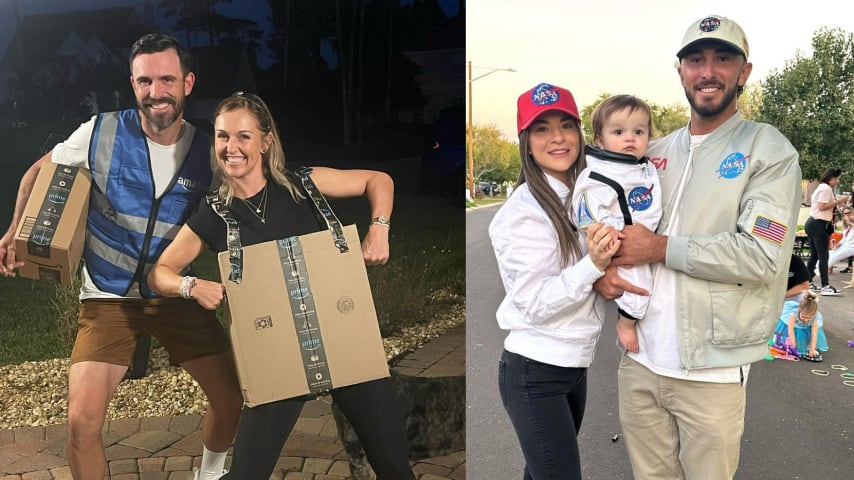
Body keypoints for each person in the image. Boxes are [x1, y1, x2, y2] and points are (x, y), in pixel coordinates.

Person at [0, 34, 244, 480]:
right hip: (107, 297)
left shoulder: (209, 152)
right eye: (144, 81)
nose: (156, 92)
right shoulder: (100, 131)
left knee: (231, 402)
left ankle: (208, 475)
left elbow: (246, 206)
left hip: (174, 293)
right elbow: (40, 169)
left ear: (187, 82)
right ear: (132, 84)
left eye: (167, 79)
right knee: (80, 424)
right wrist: (16, 226)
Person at [148, 92, 415, 480]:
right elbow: (162, 272)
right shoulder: (215, 214)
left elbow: (379, 180)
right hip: (275, 360)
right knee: (246, 475)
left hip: (345, 344)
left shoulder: (304, 185)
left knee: (393, 467)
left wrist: (379, 229)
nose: (231, 147)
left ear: (266, 140)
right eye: (223, 137)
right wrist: (190, 285)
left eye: (243, 136)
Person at [594, 15, 801, 479]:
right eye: (696, 59)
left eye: (722, 58)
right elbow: (603, 217)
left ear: (743, 72)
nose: (708, 71)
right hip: (640, 362)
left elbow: (762, 255)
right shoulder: (651, 152)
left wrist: (660, 248)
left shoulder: (768, 151)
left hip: (711, 375)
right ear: (681, 70)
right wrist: (601, 268)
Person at [489, 82, 621, 479]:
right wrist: (593, 266)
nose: (558, 137)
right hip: (535, 373)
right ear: (526, 142)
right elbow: (534, 301)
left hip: (571, 369)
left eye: (566, 125)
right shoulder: (522, 212)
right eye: (542, 129)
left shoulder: (584, 196)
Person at [572, 94, 661, 353]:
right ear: (600, 139)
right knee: (640, 288)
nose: (630, 138)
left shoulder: (643, 167)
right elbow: (584, 210)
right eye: (619, 132)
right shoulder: (599, 173)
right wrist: (609, 231)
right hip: (620, 243)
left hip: (647, 239)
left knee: (652, 284)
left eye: (639, 131)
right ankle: (626, 322)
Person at [805, 167, 848, 295]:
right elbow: (822, 206)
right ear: (831, 179)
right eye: (837, 178)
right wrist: (838, 201)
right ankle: (825, 286)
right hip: (819, 224)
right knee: (823, 256)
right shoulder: (826, 189)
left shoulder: (821, 187)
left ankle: (807, 282)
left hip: (812, 223)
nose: (838, 181)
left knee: (815, 255)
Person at [774, 291, 828, 361]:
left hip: (806, 327)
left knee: (805, 336)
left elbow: (814, 334)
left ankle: (806, 347)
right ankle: (784, 343)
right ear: (800, 310)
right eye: (803, 317)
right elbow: (790, 329)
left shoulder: (816, 317)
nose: (805, 320)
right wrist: (793, 343)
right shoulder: (794, 313)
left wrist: (812, 349)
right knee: (791, 340)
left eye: (809, 318)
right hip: (794, 326)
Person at [822, 207, 854, 276]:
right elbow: (845, 237)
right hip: (847, 245)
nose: (847, 215)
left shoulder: (851, 224)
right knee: (830, 253)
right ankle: (818, 268)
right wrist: (838, 244)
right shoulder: (848, 226)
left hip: (851, 246)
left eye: (848, 213)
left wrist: (850, 223)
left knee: (834, 256)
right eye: (844, 214)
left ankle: (820, 271)